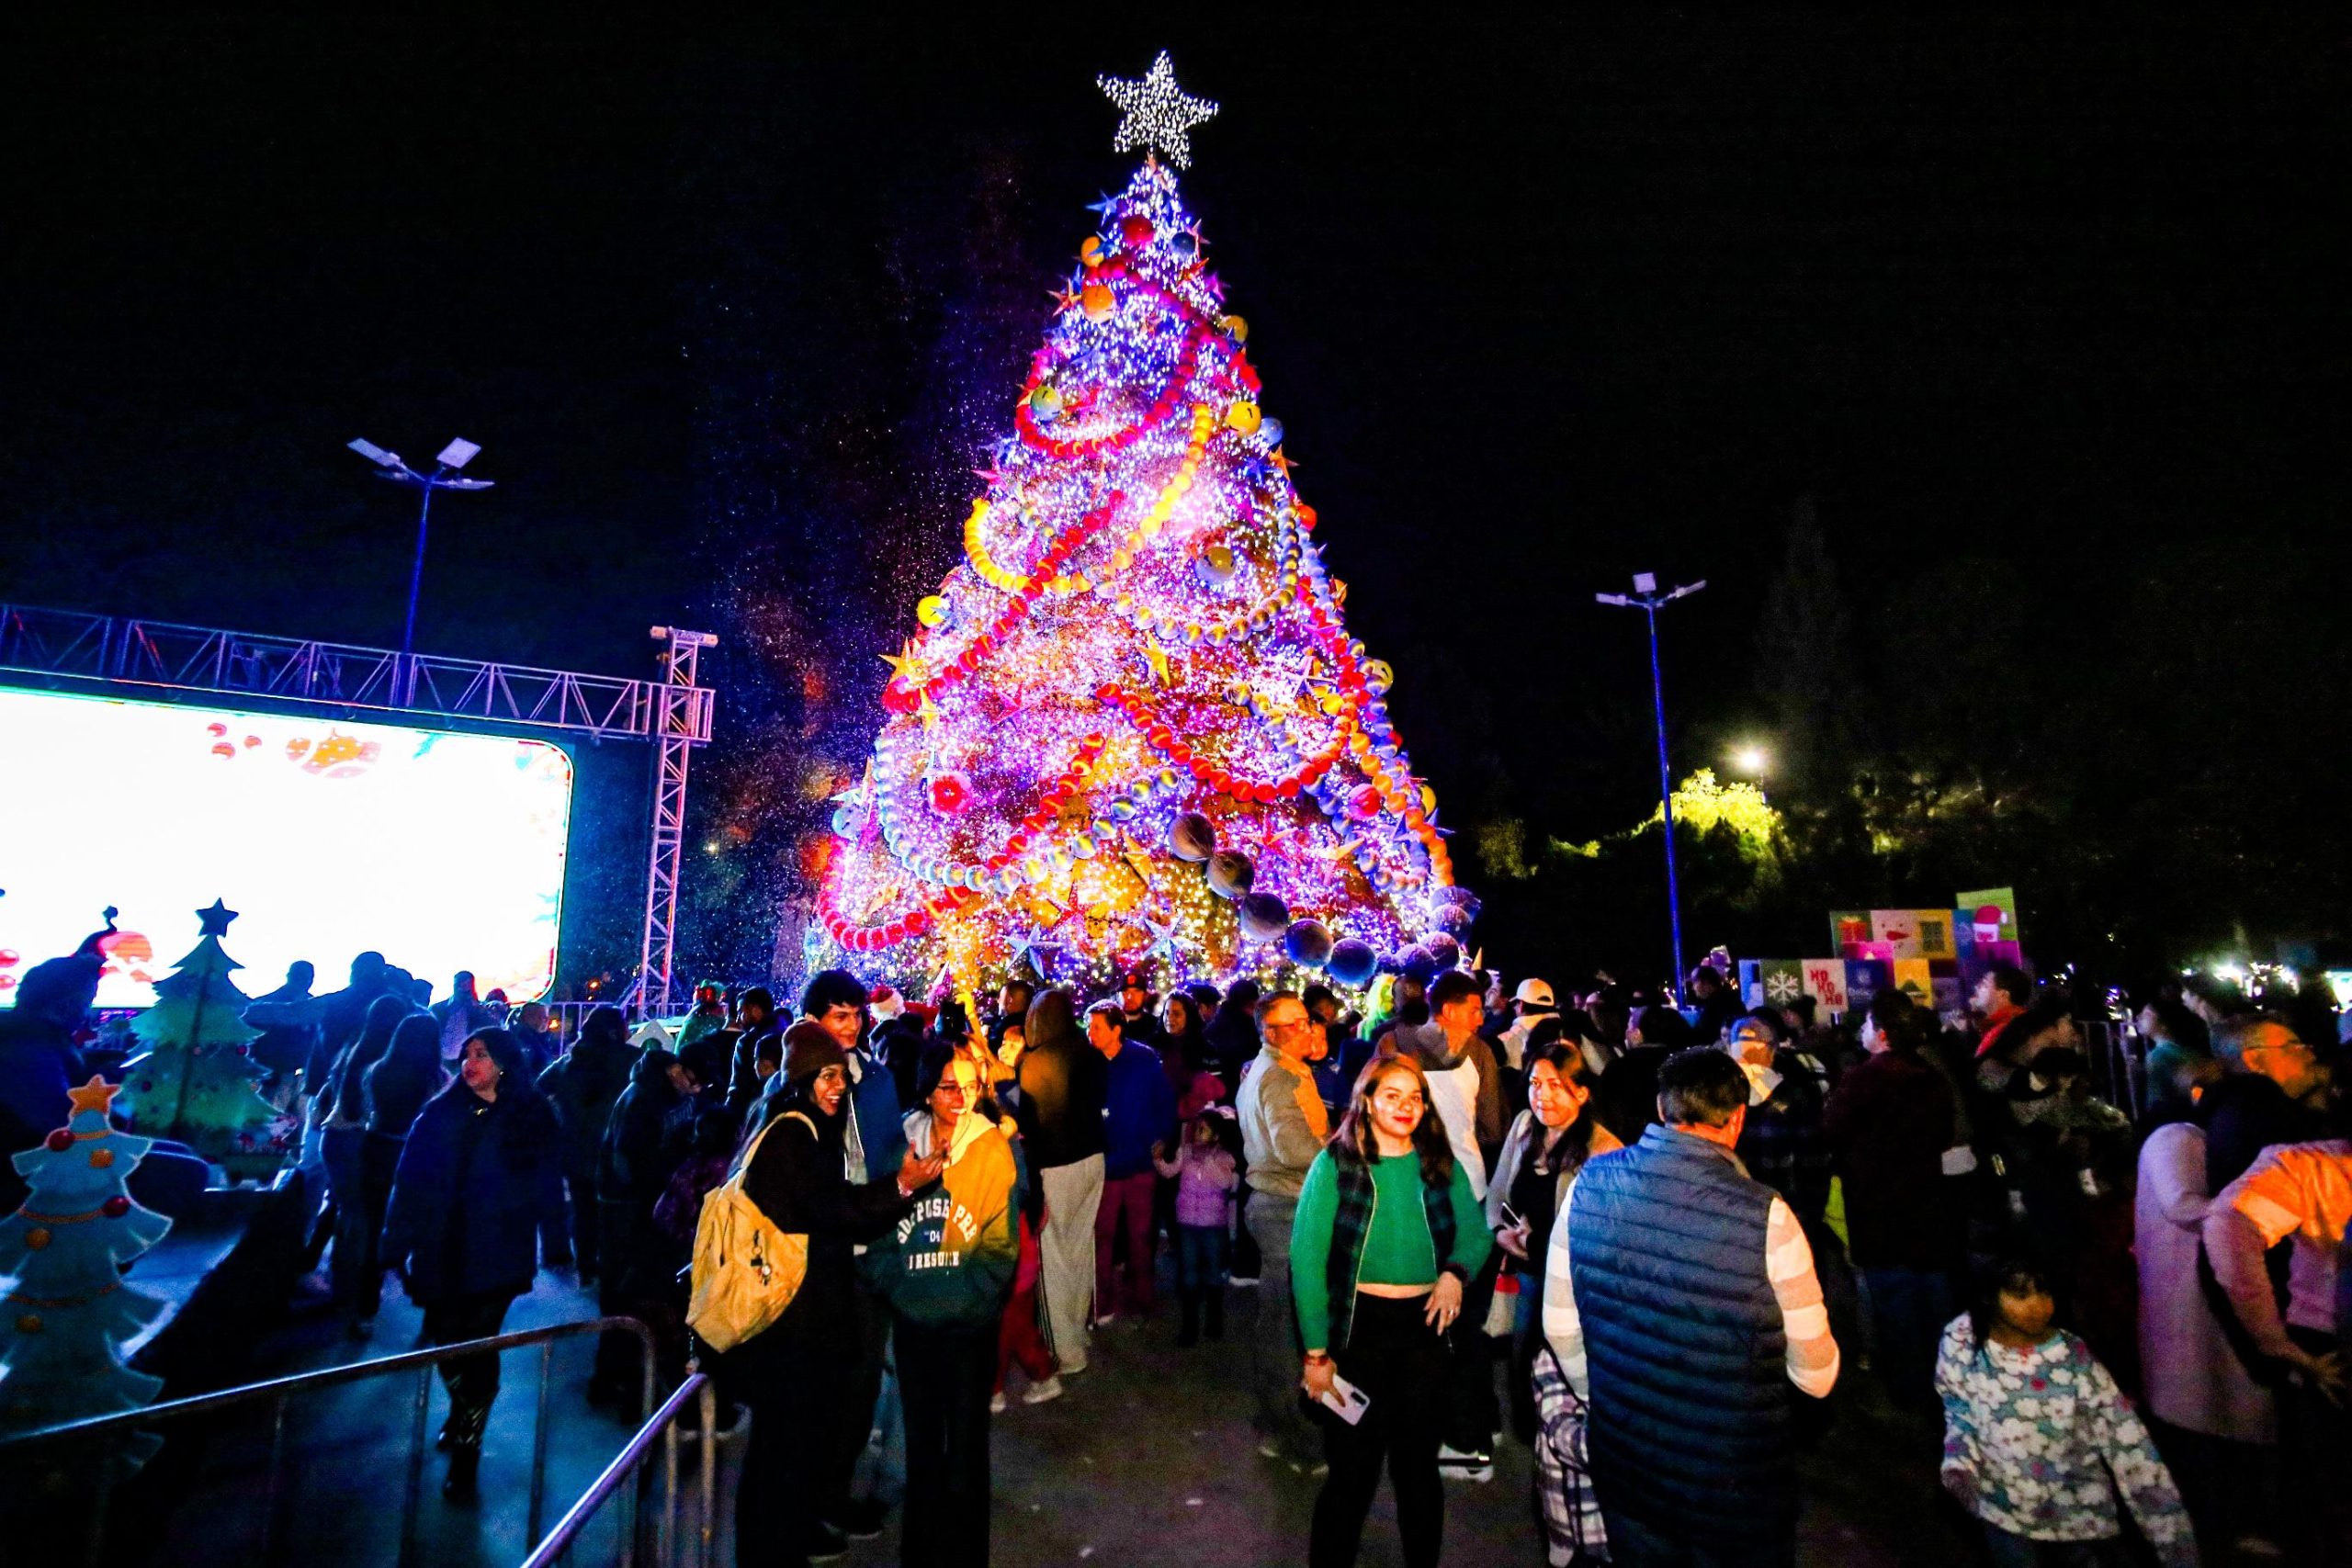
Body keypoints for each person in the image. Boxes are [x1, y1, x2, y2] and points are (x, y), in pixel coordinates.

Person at [1545, 1047, 1840, 1566]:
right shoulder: (1768, 1215)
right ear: (1737, 1118)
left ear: (1661, 1109)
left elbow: (1560, 1325)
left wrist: (1604, 1396)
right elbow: (1816, 1374)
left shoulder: (1590, 1183)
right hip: (1735, 1476)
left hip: (1627, 1459)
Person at [729, 1022, 942, 1568]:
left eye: (840, 1078)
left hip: (797, 1311)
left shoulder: (797, 1124)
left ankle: (788, 1538)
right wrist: (901, 1187)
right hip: (788, 1317)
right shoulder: (793, 1133)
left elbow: (832, 1202)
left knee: (788, 1446)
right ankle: (774, 1550)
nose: (837, 1087)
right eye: (826, 1076)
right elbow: (829, 1210)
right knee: (784, 1448)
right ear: (801, 1076)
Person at [1293, 1053, 1492, 1568]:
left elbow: (1475, 1235)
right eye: (1392, 1095)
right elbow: (1308, 1260)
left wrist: (1454, 1273)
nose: (1406, 1107)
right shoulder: (1337, 1163)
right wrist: (1316, 1353)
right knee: (1351, 1474)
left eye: (1415, 1097)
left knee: (1417, 1469)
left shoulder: (1436, 1163)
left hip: (1425, 1332)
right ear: (1367, 1100)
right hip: (1359, 1334)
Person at [379, 1029, 571, 1499]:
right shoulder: (438, 1116)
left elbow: (549, 1182)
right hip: (440, 1248)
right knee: (448, 1341)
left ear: (504, 1063)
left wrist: (556, 1240)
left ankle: (468, 1447)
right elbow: (410, 1181)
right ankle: (461, 1408)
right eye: (467, 1054)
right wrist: (395, 1240)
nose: (470, 1062)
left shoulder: (532, 1117)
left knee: (479, 1344)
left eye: (481, 1055)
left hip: (498, 1250)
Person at [1935, 1258, 2198, 1567]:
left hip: (2077, 1517)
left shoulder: (2073, 1357)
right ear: (1988, 1297)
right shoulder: (1962, 1342)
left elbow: (2126, 1441)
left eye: (2044, 1292)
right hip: (2003, 1511)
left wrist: (2172, 1542)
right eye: (2021, 1295)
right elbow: (1959, 1406)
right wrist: (1959, 1457)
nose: (2038, 1306)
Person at [868, 1043, 1023, 1568]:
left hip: (967, 1328)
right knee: (921, 1447)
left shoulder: (990, 1150)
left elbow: (1002, 1248)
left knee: (966, 1448)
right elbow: (879, 1233)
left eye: (970, 1087)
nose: (961, 1099)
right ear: (926, 1089)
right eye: (948, 1087)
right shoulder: (901, 1144)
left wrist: (967, 1301)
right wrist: (902, 1291)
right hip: (914, 1325)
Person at [2132, 1111, 2278, 1552]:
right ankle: (2218, 1531)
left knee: (2212, 1407)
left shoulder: (2180, 1136)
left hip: (2202, 1293)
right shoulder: (2175, 1135)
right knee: (2207, 1409)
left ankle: (2221, 1528)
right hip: (2192, 1294)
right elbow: (2182, 1205)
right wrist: (2272, 1208)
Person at [2203, 1134, 2352, 1562]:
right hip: (2331, 1347)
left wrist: (2275, 1343)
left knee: (2331, 1485)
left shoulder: (2313, 1165)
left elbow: (2229, 1224)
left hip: (2329, 1343)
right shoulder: (2314, 1165)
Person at [1389, 969, 1506, 1476]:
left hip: (1421, 1194)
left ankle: (1465, 1431)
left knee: (1437, 1317)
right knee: (1464, 1317)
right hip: (1469, 1192)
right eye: (1475, 1009)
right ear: (1449, 1008)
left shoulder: (1397, 1045)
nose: (1482, 1018)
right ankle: (1477, 1427)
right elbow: (1494, 1125)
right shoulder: (1479, 1054)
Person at [1822, 989, 1962, 1409]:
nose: (1862, 1032)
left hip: (1880, 1209)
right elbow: (1942, 1135)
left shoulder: (1864, 1078)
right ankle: (1947, 1386)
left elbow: (1832, 1131)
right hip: (1928, 1206)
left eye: (1865, 1025)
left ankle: (1910, 1394)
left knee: (1896, 1309)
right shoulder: (1931, 1075)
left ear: (1881, 1033)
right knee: (1936, 1305)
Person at [1487, 1032, 1619, 1442]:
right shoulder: (1526, 1125)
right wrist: (1499, 1231)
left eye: (1556, 1086)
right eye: (1535, 1084)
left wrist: (1536, 1244)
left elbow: (1601, 1238)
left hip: (1573, 1285)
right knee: (1523, 1355)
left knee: (1567, 1363)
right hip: (1528, 1275)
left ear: (1581, 1094)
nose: (1541, 1096)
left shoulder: (1604, 1150)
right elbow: (1498, 1189)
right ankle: (1533, 1435)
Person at [1236, 989, 1330, 1470]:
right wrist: (1337, 1150)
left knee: (1278, 1320)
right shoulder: (1277, 1077)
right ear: (1270, 1032)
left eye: (1306, 1020)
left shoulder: (1272, 1069)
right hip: (1285, 1207)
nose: (1307, 1029)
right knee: (1290, 1327)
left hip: (1275, 1205)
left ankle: (1276, 1425)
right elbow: (1296, 1149)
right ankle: (1296, 1434)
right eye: (1295, 1023)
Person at [592, 1044, 702, 1404]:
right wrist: (657, 1189)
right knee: (624, 1293)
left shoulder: (665, 1096)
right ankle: (612, 1377)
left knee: (634, 1292)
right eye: (692, 1079)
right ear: (676, 1071)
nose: (695, 1087)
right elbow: (630, 1159)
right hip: (626, 1208)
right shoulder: (642, 1099)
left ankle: (623, 1373)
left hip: (641, 1206)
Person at [1012, 988, 1107, 1374]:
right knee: (1081, 1248)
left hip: (1056, 1165)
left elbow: (1031, 1123)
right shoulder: (1086, 1052)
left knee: (1053, 1259)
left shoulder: (1036, 1062)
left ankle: (1066, 1351)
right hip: (1093, 1158)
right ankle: (1079, 1331)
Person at [322, 993, 413, 1333]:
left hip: (334, 1137)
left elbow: (331, 1099)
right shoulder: (384, 1061)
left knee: (350, 1217)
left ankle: (342, 1291)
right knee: (364, 1222)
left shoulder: (354, 1048)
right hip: (358, 1141)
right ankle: (355, 1305)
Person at [356, 1012, 446, 1335]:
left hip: (375, 1151)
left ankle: (365, 1309)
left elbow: (366, 1113)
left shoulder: (376, 1071)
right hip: (415, 1156)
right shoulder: (436, 1079)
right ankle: (427, 1310)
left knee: (374, 1231)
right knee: (424, 1233)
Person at [1088, 998, 1176, 1323]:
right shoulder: (1089, 1062)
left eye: (1097, 1027)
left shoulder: (1143, 1058)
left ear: (1116, 1029)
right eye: (1090, 1026)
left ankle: (1143, 1295)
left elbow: (1164, 1100)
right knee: (1103, 1237)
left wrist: (1161, 1137)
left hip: (1139, 1162)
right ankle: (1102, 1300)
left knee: (1141, 1234)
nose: (1091, 1033)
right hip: (1104, 1165)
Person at [535, 1003, 635, 1287]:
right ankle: (610, 1267)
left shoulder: (570, 1061)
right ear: (617, 1030)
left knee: (582, 1211)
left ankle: (586, 1266)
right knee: (611, 1212)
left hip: (576, 1150)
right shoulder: (631, 1060)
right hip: (613, 1151)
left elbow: (541, 1088)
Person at [2199, 1013, 2328, 1190]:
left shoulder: (2228, 1108)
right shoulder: (2263, 1113)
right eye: (2292, 1047)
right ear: (2254, 1060)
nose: (2310, 1056)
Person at [1726, 1013, 1831, 1224]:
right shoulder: (1794, 1098)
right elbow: (1814, 1164)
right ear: (1773, 1051)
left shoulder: (1719, 1098)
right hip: (1785, 1213)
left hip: (1736, 1214)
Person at [1156, 1108, 1239, 1346]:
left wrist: (1210, 1159)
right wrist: (1158, 1159)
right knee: (1189, 1274)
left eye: (1203, 1130)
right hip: (1187, 1224)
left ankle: (1213, 1320)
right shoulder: (1186, 1153)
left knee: (1213, 1272)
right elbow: (1169, 1172)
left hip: (1213, 1225)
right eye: (1196, 1128)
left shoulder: (1224, 1158)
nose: (1196, 1133)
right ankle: (1189, 1328)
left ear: (1216, 1137)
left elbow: (1224, 1183)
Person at [1590, 1003, 1688, 1147]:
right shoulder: (1683, 1066)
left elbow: (1605, 1117)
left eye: (1629, 1027)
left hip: (1630, 1149)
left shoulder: (1617, 1070)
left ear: (1637, 1034)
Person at [246, 959, 321, 1096]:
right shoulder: (264, 1005)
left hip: (297, 1072)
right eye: (300, 976)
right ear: (289, 976)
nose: (305, 981)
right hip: (265, 1069)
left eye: (308, 977)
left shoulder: (315, 1006)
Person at [2136, 998, 2215, 1122]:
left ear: (2164, 1025)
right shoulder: (2190, 1051)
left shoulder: (2159, 1055)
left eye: (2147, 1015)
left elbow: (2156, 1101)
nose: (2139, 1017)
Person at [718, 986, 780, 1119]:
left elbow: (738, 1089)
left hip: (754, 1115)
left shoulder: (746, 1042)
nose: (738, 1019)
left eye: (741, 1012)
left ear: (756, 1010)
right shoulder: (787, 1034)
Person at [1971, 964, 2034, 1061]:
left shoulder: (2010, 1030)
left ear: (2003, 994)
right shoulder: (1997, 1025)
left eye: (1984, 984)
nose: (1976, 987)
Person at [432, 972, 500, 1062]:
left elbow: (492, 1030)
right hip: (439, 1057)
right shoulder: (438, 1008)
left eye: (466, 986)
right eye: (459, 985)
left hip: (465, 1058)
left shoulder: (478, 1009)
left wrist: (480, 1011)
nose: (462, 988)